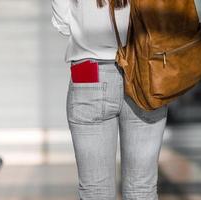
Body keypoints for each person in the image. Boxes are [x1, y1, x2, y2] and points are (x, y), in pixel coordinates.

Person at [51, 0, 169, 199]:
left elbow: (62, 23)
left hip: (90, 72)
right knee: (142, 189)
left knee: (95, 191)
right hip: (147, 73)